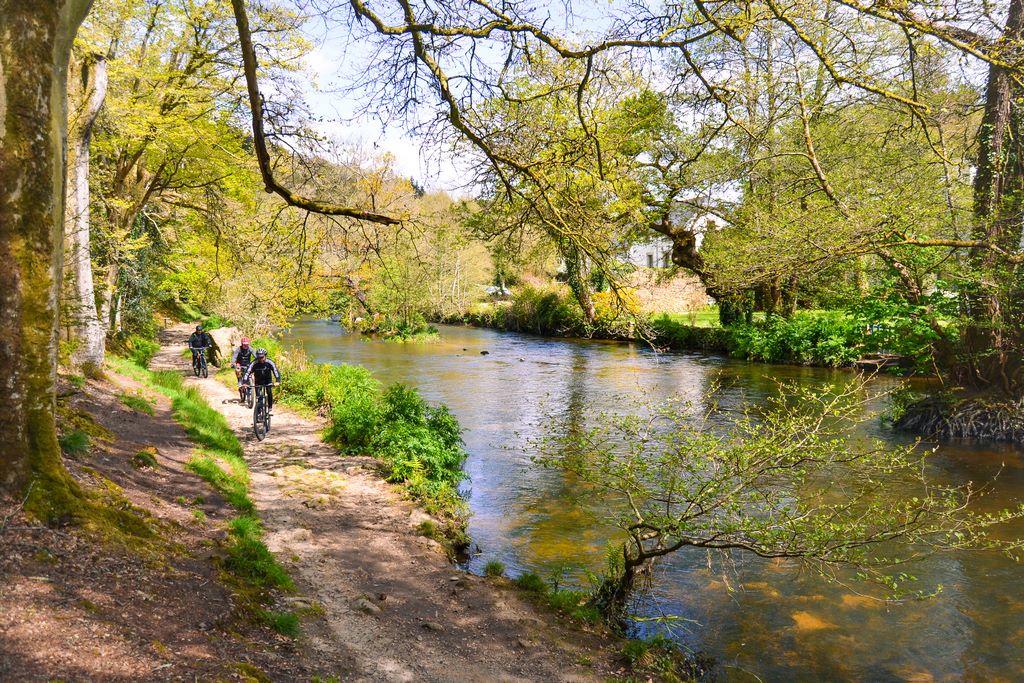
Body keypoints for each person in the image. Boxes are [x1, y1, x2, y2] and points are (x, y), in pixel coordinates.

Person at [242, 348, 281, 413]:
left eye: (262, 357)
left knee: (269, 391)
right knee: (258, 397)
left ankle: (270, 407)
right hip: (258, 381)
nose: (260, 359)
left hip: (268, 380)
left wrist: (278, 381)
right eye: (258, 357)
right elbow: (247, 372)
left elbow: (275, 371)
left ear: (265, 356)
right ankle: (259, 413)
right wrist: (244, 382)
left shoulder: (269, 362)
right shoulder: (254, 363)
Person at [231, 336, 256, 401]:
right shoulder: (238, 349)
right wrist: (233, 363)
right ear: (242, 344)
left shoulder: (250, 349)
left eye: (247, 344)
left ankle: (250, 387)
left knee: (251, 375)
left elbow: (255, 355)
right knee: (237, 369)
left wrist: (258, 360)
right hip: (240, 364)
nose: (246, 345)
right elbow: (234, 357)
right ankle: (239, 381)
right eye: (244, 344)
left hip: (247, 364)